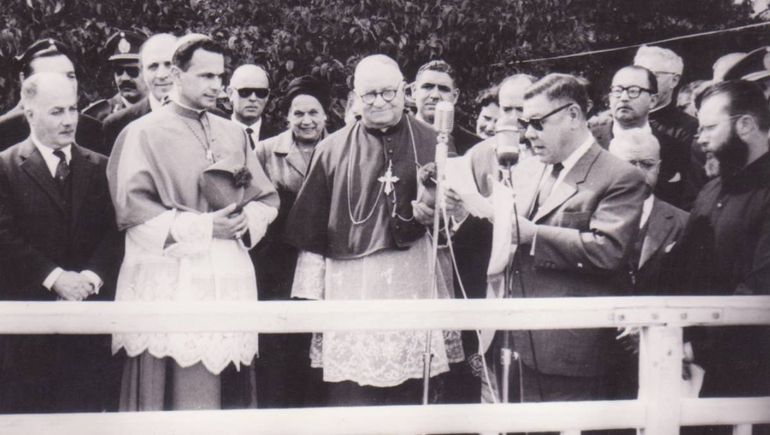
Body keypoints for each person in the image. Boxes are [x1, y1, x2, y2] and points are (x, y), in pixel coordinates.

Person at [106, 35, 279, 411]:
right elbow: (134, 215)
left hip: (230, 278)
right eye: (205, 76)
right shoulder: (142, 133)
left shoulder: (233, 133)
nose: (216, 85)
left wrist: (245, 221)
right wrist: (204, 228)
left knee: (229, 391)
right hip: (174, 282)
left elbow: (266, 199)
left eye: (220, 76)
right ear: (177, 73)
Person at [285, 54, 458, 406]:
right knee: (353, 390)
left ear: (404, 91)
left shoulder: (434, 141)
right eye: (369, 94)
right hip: (351, 283)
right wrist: (310, 295)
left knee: (412, 387)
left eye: (388, 93)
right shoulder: (330, 148)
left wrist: (439, 217)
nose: (379, 101)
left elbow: (455, 218)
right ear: (354, 98)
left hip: (413, 277)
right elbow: (312, 230)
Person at [495, 73, 647, 405]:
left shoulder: (620, 176)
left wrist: (535, 236)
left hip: (574, 354)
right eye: (524, 123)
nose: (529, 134)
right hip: (521, 344)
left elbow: (608, 251)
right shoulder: (532, 170)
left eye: (537, 123)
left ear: (574, 115)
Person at [0, 73, 122, 413]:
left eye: (73, 109)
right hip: (26, 331)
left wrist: (90, 279)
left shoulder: (100, 166)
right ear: (30, 113)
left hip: (87, 326)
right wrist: (56, 278)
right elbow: (3, 236)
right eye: (56, 112)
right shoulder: (5, 167)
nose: (69, 121)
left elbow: (115, 232)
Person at [672, 81, 770, 430]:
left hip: (757, 376)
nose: (700, 138)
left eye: (710, 127)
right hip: (701, 370)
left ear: (745, 125)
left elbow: (761, 286)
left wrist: (695, 348)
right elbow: (682, 270)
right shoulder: (711, 189)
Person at [251, 75, 329, 408]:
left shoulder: (340, 146)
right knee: (280, 345)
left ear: (327, 114)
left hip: (324, 258)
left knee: (317, 341)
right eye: (298, 113)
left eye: (314, 112)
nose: (306, 120)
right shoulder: (267, 151)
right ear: (287, 117)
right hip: (278, 264)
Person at [606, 128, 689, 401]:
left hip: (658, 354)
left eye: (648, 164)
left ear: (660, 166)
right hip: (598, 355)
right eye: (630, 164)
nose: (640, 173)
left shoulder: (684, 223)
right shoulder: (589, 218)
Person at [634, 45, 707, 210]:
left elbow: (692, 192)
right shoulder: (607, 125)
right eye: (638, 73)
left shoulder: (691, 128)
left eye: (653, 75)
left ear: (674, 80)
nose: (642, 82)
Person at [0, 39, 103, 154]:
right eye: (50, 77)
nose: (64, 84)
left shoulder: (93, 130)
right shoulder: (4, 132)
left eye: (70, 76)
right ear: (24, 80)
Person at [102, 33, 178, 154]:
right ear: (143, 70)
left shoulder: (210, 117)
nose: (161, 74)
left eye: (132, 71)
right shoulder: (115, 124)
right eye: (153, 66)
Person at [412, 59, 480, 155]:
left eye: (443, 89)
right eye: (427, 87)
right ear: (414, 91)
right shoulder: (398, 135)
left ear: (455, 96)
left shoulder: (473, 145)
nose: (435, 95)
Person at [83, 30, 148, 121]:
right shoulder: (97, 116)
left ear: (148, 71)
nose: (124, 78)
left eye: (133, 71)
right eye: (119, 71)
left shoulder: (163, 109)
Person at [226, 64, 279, 149]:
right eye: (245, 92)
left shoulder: (279, 139)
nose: (253, 98)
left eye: (261, 93)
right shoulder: (214, 135)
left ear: (267, 96)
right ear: (230, 94)